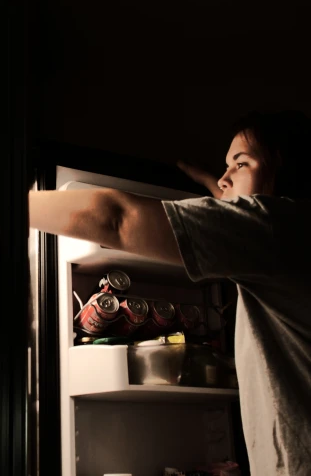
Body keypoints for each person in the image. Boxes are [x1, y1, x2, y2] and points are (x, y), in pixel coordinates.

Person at [28, 110, 311, 475]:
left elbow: (116, 218)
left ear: (289, 173)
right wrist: (221, 193)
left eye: (240, 164)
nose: (224, 178)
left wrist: (11, 203)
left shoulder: (276, 227)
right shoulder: (293, 234)